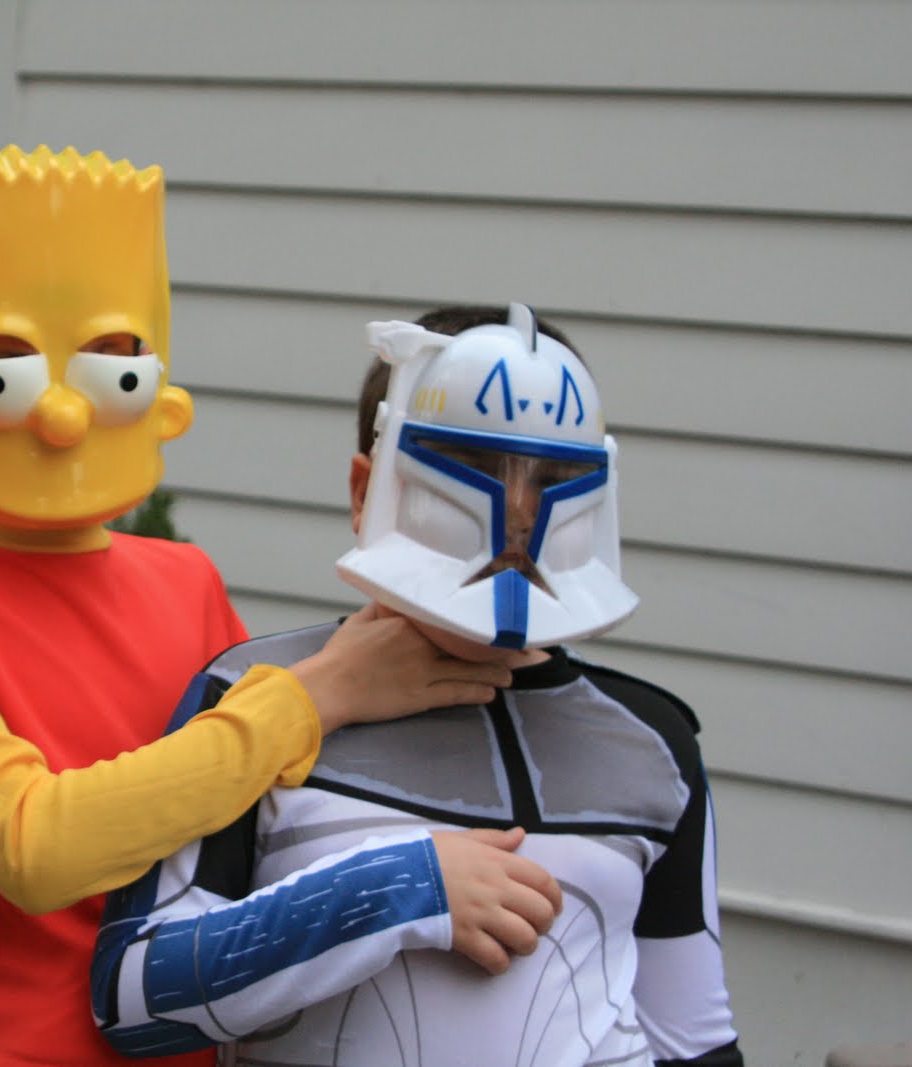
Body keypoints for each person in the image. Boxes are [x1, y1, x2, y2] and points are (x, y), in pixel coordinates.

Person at [0, 147, 560, 1067]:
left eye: (111, 366)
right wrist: (317, 695)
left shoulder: (185, 579)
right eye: (2, 370)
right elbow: (33, 848)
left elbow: (260, 825)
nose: (62, 415)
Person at [92, 304, 742, 1066]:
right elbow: (131, 995)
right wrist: (398, 889)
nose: (514, 523)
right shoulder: (249, 700)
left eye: (548, 484)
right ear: (365, 490)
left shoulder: (652, 742)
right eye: (474, 474)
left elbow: (695, 1043)